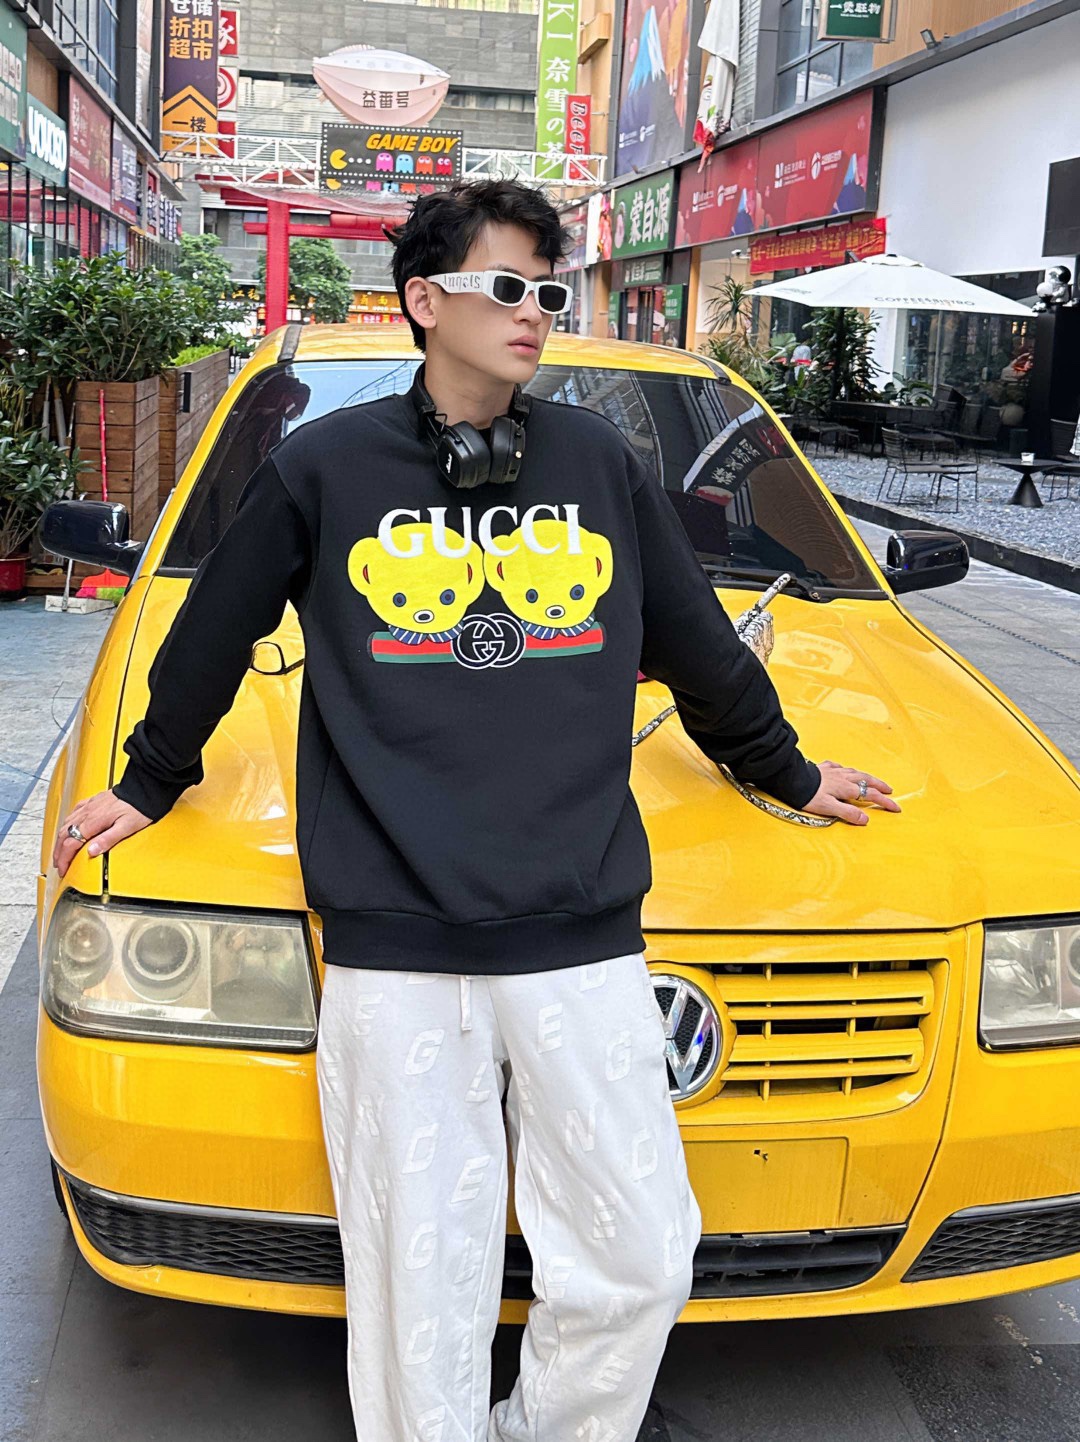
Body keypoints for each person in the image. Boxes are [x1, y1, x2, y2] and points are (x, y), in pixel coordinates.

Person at [52, 178, 900, 1442]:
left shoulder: (600, 463)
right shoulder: (324, 466)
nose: (535, 312)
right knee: (420, 1280)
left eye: (547, 292)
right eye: (507, 287)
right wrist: (146, 779)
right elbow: (213, 629)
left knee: (641, 1252)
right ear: (423, 299)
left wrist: (786, 769)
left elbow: (697, 641)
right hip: (396, 940)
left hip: (578, 929)